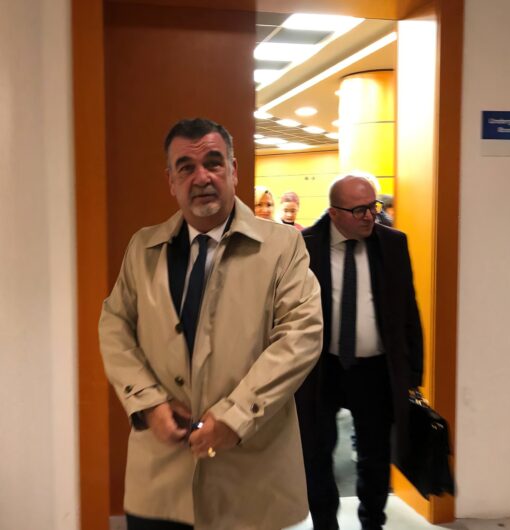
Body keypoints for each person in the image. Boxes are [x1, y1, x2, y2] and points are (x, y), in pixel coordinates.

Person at [99, 118, 323, 530]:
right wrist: (147, 402)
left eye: (213, 163)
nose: (201, 177)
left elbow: (301, 336)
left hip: (250, 477)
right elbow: (114, 326)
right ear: (171, 181)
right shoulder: (144, 249)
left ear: (233, 170)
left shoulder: (283, 247)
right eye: (185, 167)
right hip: (161, 477)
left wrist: (236, 417)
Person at [295, 174, 423, 530]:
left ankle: (372, 522)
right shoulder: (305, 246)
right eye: (359, 210)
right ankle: (325, 523)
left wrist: (414, 372)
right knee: (316, 453)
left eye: (373, 207)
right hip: (321, 367)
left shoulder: (392, 244)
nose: (370, 216)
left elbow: (408, 309)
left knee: (375, 455)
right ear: (334, 212)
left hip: (375, 369)